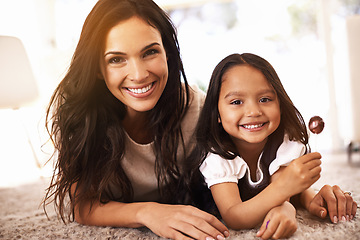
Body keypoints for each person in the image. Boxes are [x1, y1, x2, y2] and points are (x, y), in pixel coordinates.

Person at [42, 0, 230, 239]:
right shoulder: (78, 115)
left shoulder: (196, 107)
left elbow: (255, 169)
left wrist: (283, 206)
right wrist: (147, 212)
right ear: (98, 68)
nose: (139, 75)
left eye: (150, 52)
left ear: (168, 54)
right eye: (116, 59)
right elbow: (83, 206)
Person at [185, 53, 357, 239]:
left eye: (265, 99)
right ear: (216, 113)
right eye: (236, 102)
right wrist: (285, 195)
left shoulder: (284, 142)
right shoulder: (217, 154)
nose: (253, 111)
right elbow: (234, 216)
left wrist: (309, 200)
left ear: (280, 103)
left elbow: (283, 194)